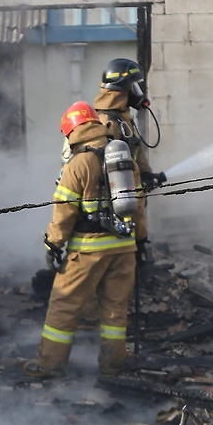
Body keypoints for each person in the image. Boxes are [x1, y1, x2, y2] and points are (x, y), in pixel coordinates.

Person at [27, 101, 147, 380]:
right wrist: (140, 240)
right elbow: (139, 205)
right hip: (123, 248)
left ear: (71, 132)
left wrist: (53, 244)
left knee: (64, 307)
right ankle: (111, 369)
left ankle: (49, 367)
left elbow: (64, 212)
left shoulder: (78, 163)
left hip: (87, 250)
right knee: (115, 312)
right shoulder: (125, 158)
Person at [94, 57, 158, 191]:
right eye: (132, 88)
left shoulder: (123, 118)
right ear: (120, 92)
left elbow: (135, 149)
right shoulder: (107, 122)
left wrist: (145, 174)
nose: (137, 94)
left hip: (133, 192)